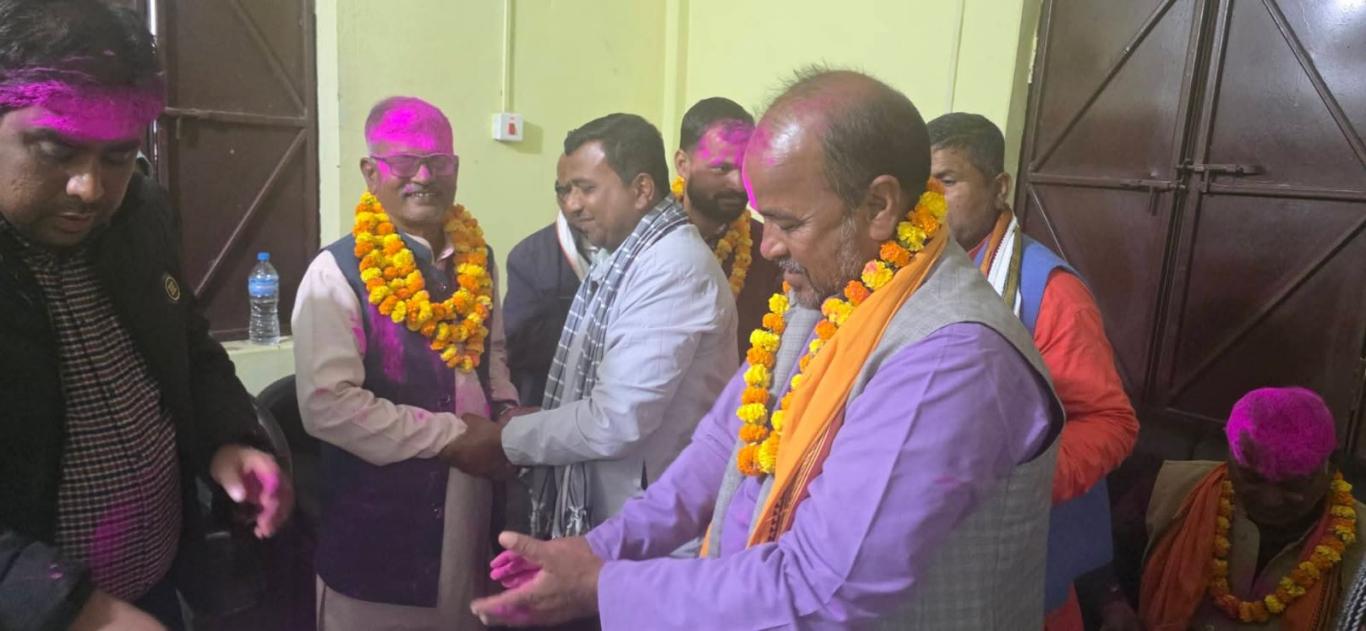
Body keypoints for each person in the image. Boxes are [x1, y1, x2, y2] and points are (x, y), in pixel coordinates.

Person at [471, 68, 1063, 629]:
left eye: (788, 222)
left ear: (879, 207)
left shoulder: (951, 356)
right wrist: (596, 549)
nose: (768, 246)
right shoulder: (833, 291)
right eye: (764, 219)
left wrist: (602, 587)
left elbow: (824, 589)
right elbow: (720, 447)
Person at [0, 1, 293, 629]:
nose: (89, 189)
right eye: (55, 149)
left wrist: (228, 439)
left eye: (116, 157)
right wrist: (66, 608)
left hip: (158, 585)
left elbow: (188, 345)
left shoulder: (140, 214)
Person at [292, 96, 520, 631]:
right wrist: (451, 437)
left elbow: (493, 355)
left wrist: (508, 417)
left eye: (439, 162)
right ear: (371, 172)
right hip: (380, 540)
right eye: (404, 162)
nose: (424, 176)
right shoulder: (335, 272)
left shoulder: (478, 258)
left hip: (472, 504)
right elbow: (328, 406)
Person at [456, 113, 738, 543]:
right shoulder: (625, 254)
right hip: (625, 508)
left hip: (655, 518)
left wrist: (506, 439)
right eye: (564, 190)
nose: (571, 205)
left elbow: (616, 419)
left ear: (641, 190)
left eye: (586, 188)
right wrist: (541, 419)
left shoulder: (672, 268)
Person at [928, 112, 1139, 630]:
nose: (928, 200)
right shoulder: (909, 270)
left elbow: (1111, 422)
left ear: (999, 187)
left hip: (1016, 549)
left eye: (947, 181)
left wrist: (1012, 486)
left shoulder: (1048, 292)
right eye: (920, 185)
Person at [1127, 387, 1366, 630]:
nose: (1270, 500)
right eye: (1252, 478)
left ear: (1330, 467)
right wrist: (1112, 603)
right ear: (1229, 455)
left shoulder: (1362, 547)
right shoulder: (1170, 489)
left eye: (1293, 485)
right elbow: (1109, 564)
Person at [671, 97, 784, 356]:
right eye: (721, 168)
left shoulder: (768, 249)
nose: (738, 183)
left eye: (745, 168)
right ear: (682, 164)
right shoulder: (647, 237)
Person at [503, 208, 596, 408]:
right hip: (548, 402)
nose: (575, 202)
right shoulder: (530, 257)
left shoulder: (651, 249)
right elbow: (517, 347)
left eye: (589, 191)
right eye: (565, 192)